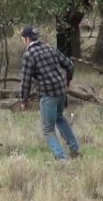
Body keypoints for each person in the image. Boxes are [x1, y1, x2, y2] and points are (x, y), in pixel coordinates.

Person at [19, 25, 79, 162]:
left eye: (23, 39)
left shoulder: (29, 55)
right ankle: (75, 149)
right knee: (59, 118)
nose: (23, 42)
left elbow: (26, 80)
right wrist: (67, 81)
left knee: (48, 129)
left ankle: (61, 158)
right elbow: (70, 65)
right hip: (61, 91)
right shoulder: (50, 48)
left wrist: (24, 100)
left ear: (27, 39)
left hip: (48, 95)